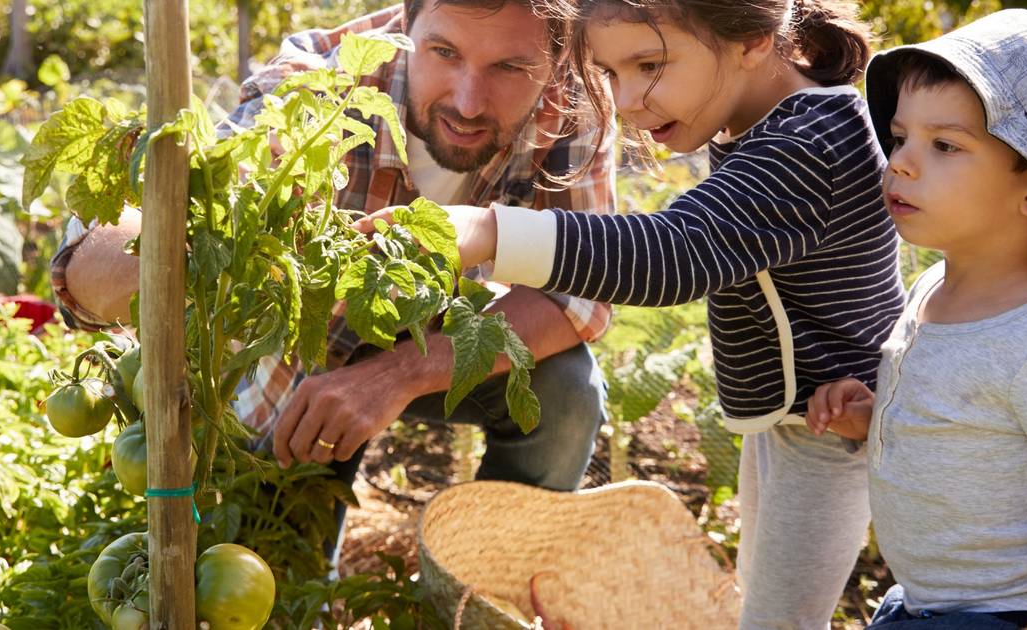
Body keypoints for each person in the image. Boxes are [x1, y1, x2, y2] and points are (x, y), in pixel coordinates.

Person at [362, 0, 907, 626]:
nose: (624, 100)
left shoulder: (809, 146)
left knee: (779, 620)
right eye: (609, 73)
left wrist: (491, 232)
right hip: (802, 418)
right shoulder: (771, 118)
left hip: (834, 427)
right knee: (764, 602)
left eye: (649, 65)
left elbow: (671, 253)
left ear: (754, 39)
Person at [50, 0, 617, 572]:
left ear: (557, 57)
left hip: (431, 340)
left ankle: (486, 588)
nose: (468, 102)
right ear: (407, 21)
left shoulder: (573, 105)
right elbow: (125, 243)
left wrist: (399, 374)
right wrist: (187, 245)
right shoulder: (321, 82)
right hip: (296, 369)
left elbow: (583, 293)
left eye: (510, 68)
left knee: (565, 390)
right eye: (444, 53)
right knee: (271, 578)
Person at [804, 9, 1027, 628]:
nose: (902, 162)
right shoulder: (932, 286)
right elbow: (969, 424)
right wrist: (876, 417)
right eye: (900, 136)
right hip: (920, 603)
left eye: (944, 145)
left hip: (1001, 614)